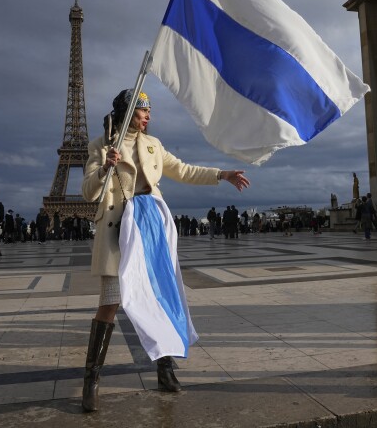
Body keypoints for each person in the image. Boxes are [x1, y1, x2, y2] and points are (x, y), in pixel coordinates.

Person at [80, 88, 250, 412]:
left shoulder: (153, 145)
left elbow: (183, 170)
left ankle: (165, 369)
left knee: (161, 296)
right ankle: (92, 381)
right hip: (119, 230)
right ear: (130, 111)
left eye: (149, 111)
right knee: (110, 302)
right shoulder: (102, 146)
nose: (149, 116)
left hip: (152, 229)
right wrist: (105, 168)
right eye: (144, 110)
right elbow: (88, 192)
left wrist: (221, 174)